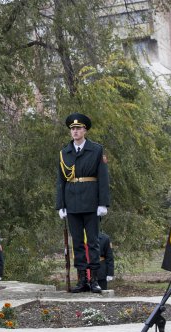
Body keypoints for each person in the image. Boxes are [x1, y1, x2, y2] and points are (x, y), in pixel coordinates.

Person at [56, 113, 110, 294]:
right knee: (77, 242)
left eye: (78, 128)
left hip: (91, 201)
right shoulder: (64, 153)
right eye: (72, 129)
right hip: (71, 202)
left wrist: (103, 203)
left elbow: (103, 177)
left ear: (85, 130)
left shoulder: (96, 150)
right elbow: (60, 181)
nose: (75, 131)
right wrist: (60, 205)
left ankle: (94, 280)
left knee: (93, 242)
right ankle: (82, 280)